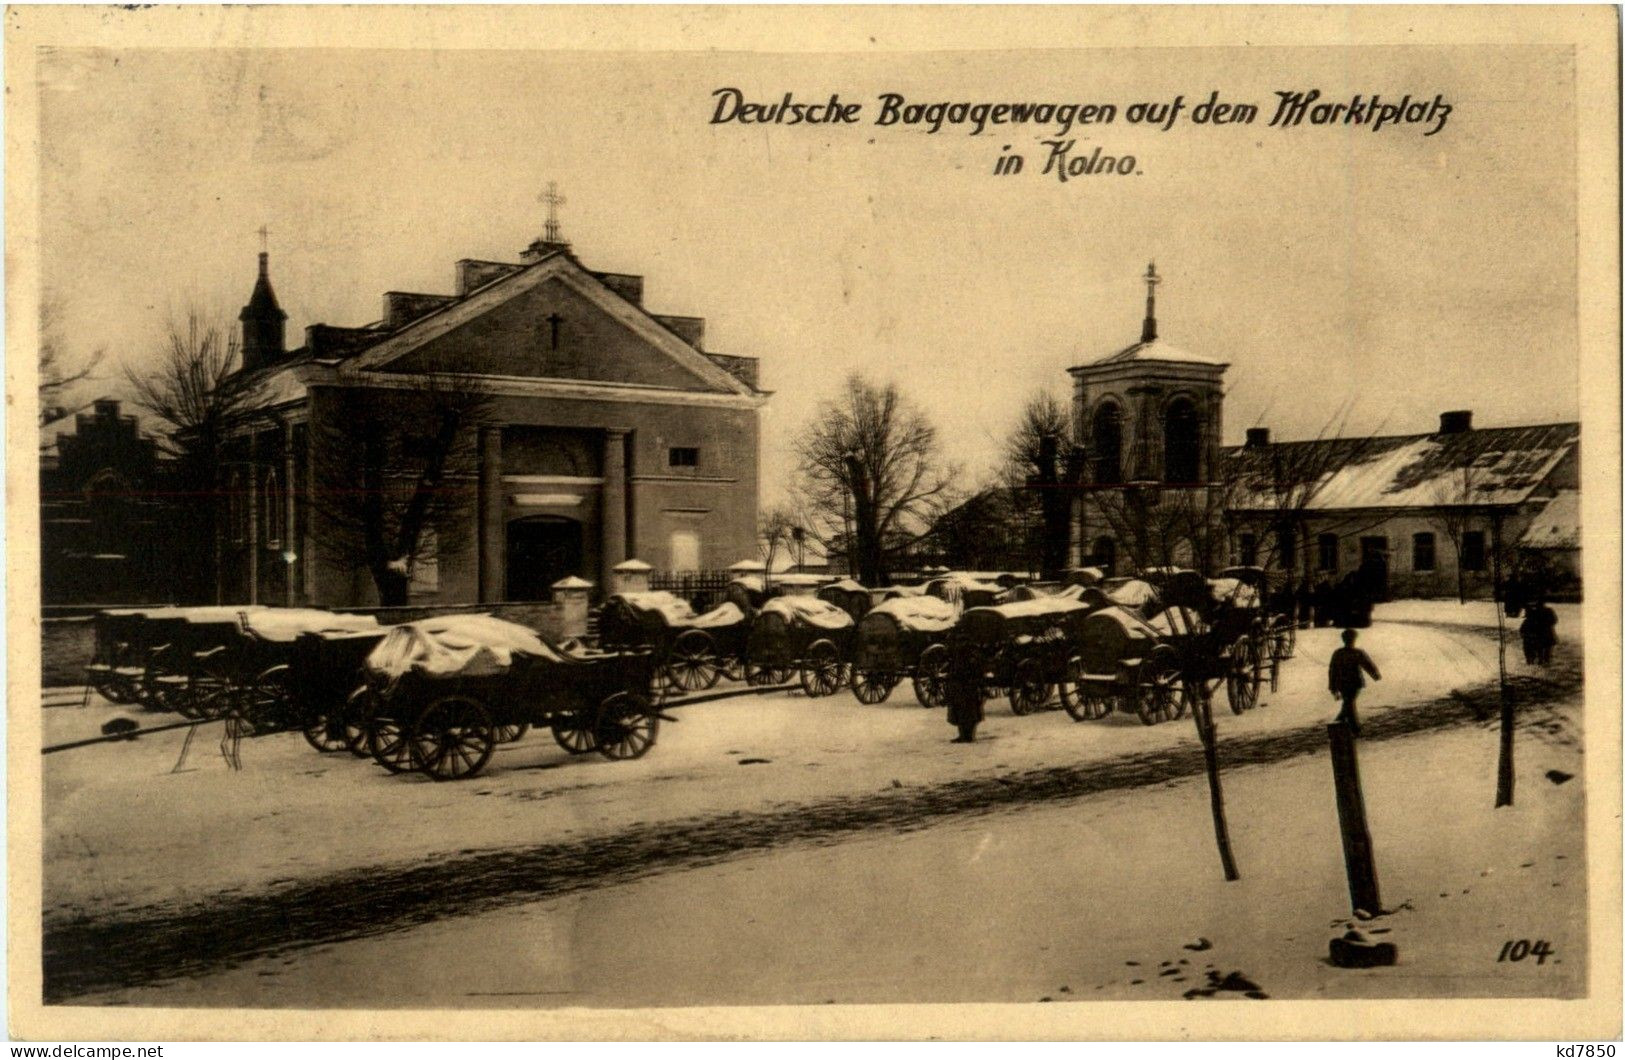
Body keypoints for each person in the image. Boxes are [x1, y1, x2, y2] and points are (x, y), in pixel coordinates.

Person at [1328, 628, 1382, 737]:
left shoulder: (1338, 653)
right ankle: (1353, 728)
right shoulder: (1357, 652)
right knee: (1349, 704)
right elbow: (1368, 664)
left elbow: (1332, 671)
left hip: (1344, 684)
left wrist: (1333, 687)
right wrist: (1375, 674)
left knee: (1348, 704)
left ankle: (1341, 724)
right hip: (1355, 683)